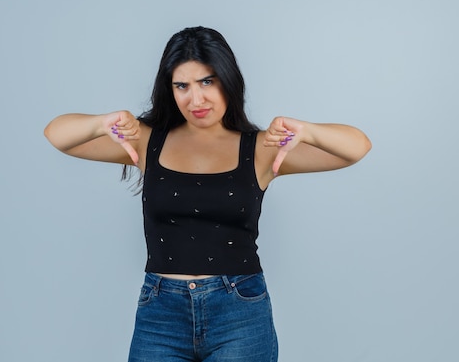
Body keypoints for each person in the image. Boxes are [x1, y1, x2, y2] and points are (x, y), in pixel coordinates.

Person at [44, 26, 371, 362]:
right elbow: (57, 134)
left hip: (239, 312)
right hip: (161, 312)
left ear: (227, 80)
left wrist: (308, 131)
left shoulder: (261, 149)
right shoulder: (144, 141)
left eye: (207, 82)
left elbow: (357, 148)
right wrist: (102, 123)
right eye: (181, 86)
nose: (195, 99)